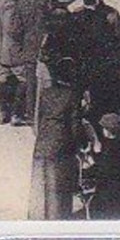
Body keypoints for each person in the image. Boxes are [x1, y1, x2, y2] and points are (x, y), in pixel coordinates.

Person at [28, 57, 81, 221]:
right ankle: (57, 219)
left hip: (43, 142)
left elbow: (39, 117)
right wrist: (79, 145)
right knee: (59, 186)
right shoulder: (71, 95)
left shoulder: (46, 93)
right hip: (61, 144)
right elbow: (74, 125)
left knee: (40, 182)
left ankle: (37, 217)